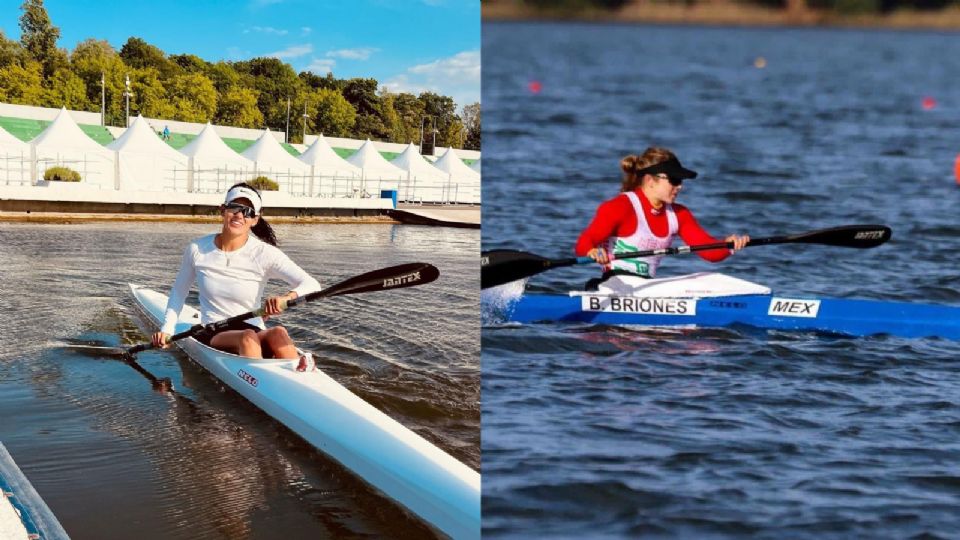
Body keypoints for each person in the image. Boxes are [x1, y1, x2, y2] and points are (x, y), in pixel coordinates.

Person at [151, 182, 321, 371]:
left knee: (278, 332)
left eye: (248, 211)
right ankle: (265, 381)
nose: (240, 214)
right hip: (214, 330)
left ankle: (301, 376)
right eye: (234, 207)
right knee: (247, 336)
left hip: (253, 327)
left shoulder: (265, 253)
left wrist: (287, 297)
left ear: (255, 219)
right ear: (223, 210)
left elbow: (312, 284)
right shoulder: (197, 249)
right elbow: (178, 293)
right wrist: (166, 329)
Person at [575, 147, 749, 290]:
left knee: (709, 278)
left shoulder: (679, 214)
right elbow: (584, 242)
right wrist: (592, 251)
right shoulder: (620, 207)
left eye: (680, 181)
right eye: (674, 180)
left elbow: (709, 251)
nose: (679, 186)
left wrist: (728, 245)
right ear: (650, 180)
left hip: (646, 288)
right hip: (614, 285)